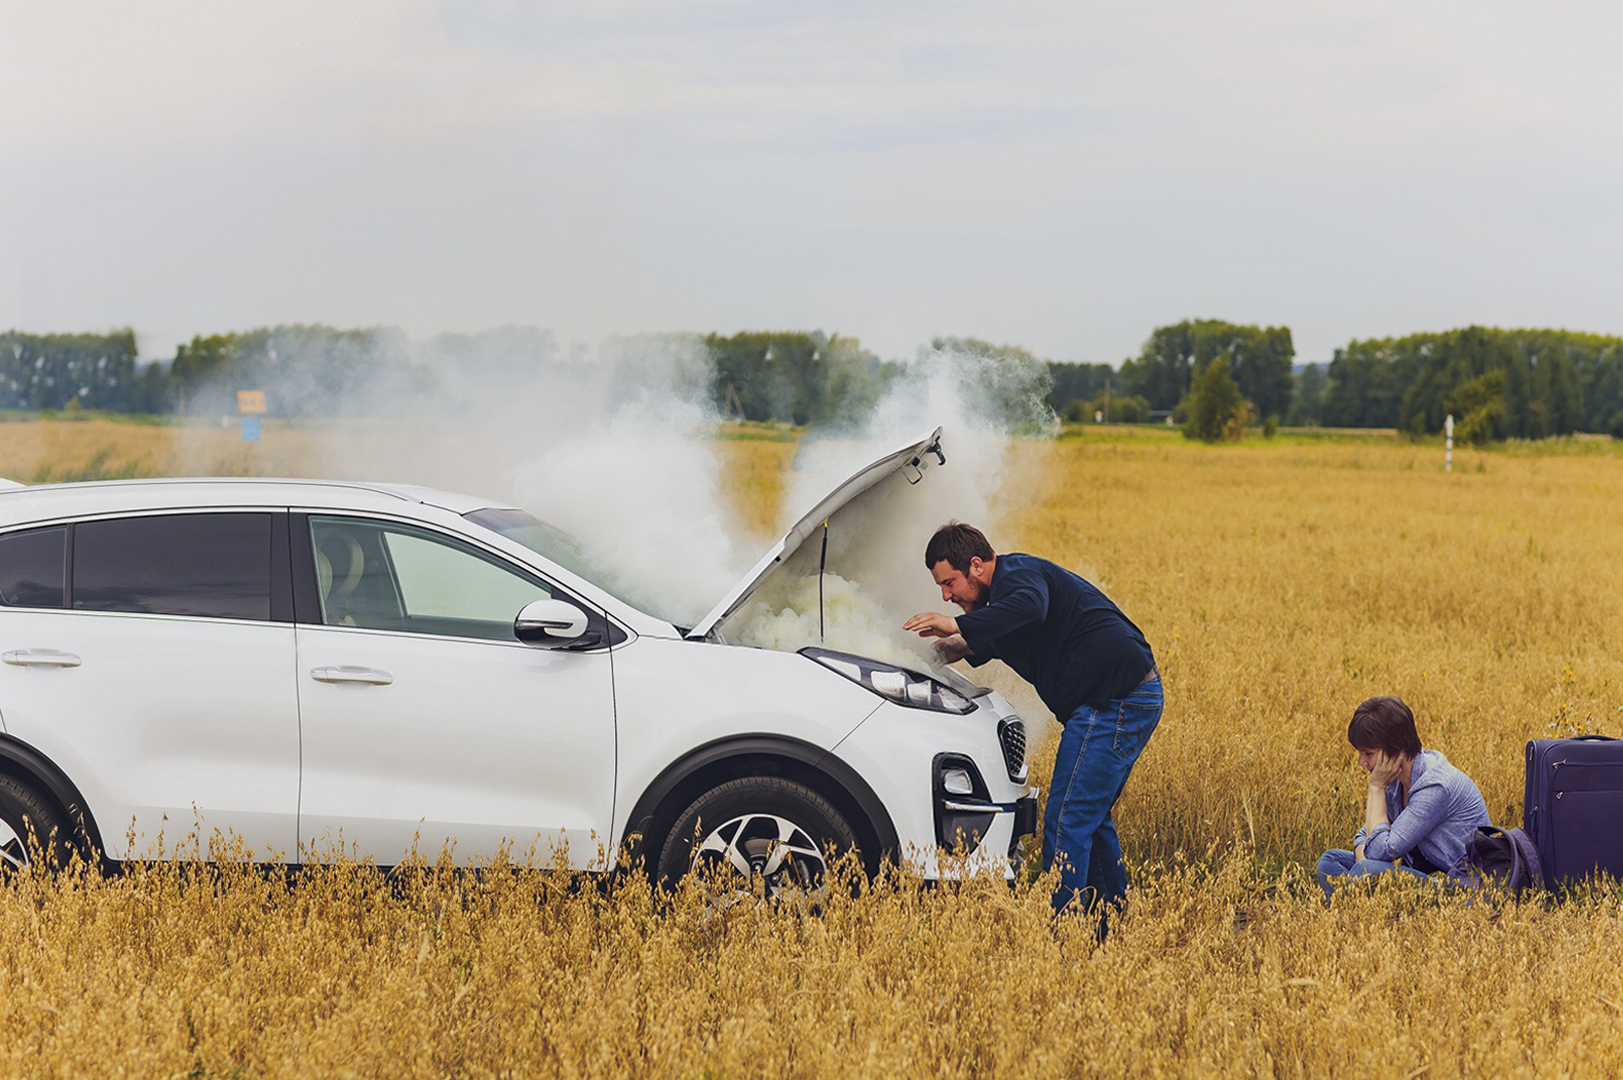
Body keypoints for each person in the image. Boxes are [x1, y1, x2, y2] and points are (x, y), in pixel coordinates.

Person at [903, 521, 1161, 920]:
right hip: (1116, 699)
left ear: (976, 565)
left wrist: (955, 622)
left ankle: (1064, 933)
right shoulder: (999, 611)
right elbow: (964, 645)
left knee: (1066, 817)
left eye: (949, 582)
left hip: (1115, 700)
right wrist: (905, 655)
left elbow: (1028, 607)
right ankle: (1110, 919)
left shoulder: (1019, 576)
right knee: (1090, 817)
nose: (946, 595)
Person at [1317, 696, 1489, 897]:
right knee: (1331, 861)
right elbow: (1365, 836)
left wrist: (1375, 788)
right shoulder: (1397, 781)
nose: (1361, 762)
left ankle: (1354, 910)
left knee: (1367, 871)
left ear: (1395, 748)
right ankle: (1355, 911)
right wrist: (1365, 858)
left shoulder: (1436, 785)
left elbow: (1384, 851)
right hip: (1422, 874)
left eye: (1368, 753)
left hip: (1462, 888)